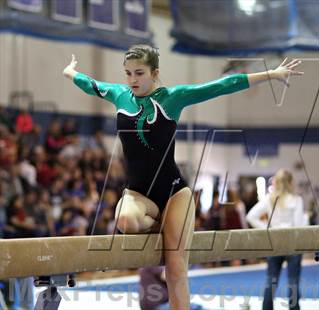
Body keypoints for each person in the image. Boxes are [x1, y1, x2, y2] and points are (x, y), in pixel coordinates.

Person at [63, 45, 303, 308]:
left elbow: (221, 85)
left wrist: (271, 74)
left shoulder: (172, 98)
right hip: (138, 194)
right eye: (128, 73)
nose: (132, 79)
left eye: (139, 73)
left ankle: (164, 225)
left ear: (155, 73)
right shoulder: (119, 95)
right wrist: (71, 72)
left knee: (175, 269)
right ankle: (158, 224)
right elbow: (90, 84)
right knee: (125, 221)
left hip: (174, 192)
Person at [246, 169, 306, 310]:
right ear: (291, 182)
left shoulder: (269, 199)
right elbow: (298, 225)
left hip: (275, 242)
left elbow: (250, 216)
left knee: (271, 281)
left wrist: (268, 229)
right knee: (293, 282)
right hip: (292, 244)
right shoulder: (296, 200)